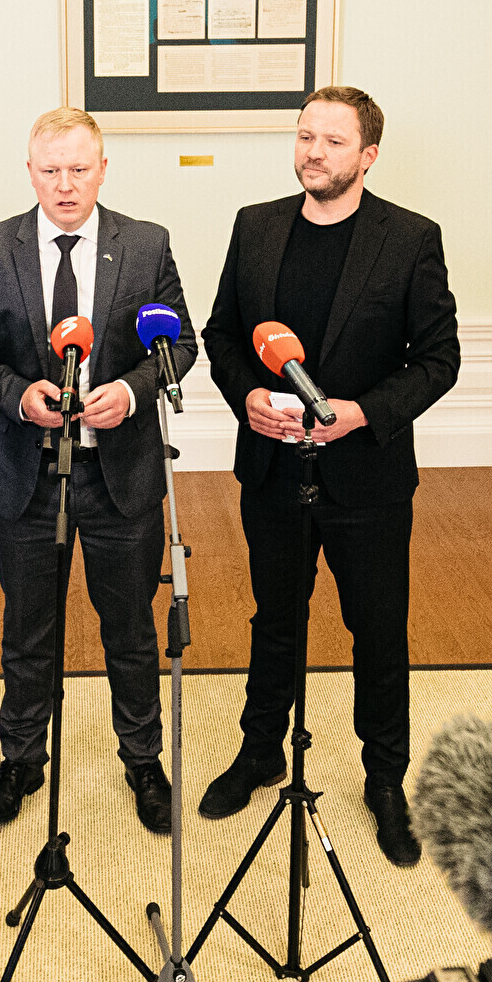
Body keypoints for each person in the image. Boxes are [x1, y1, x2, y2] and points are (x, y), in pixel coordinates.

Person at [198, 86, 460, 866]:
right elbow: (221, 334)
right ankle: (260, 752)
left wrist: (360, 414)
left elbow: (438, 360)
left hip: (366, 478)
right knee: (275, 620)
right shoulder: (256, 226)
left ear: (368, 155)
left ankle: (385, 780)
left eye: (333, 141)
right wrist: (246, 396)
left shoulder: (409, 238)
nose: (314, 151)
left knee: (376, 630)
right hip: (272, 469)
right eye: (305, 135)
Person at [0, 107, 198, 834]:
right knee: (28, 630)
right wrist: (16, 396)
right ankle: (22, 760)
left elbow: (180, 344)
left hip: (120, 475)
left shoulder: (145, 244)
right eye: (50, 170)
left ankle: (143, 761)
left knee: (131, 629)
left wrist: (132, 392)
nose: (65, 184)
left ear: (102, 170)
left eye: (79, 169)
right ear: (30, 172)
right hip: (26, 475)